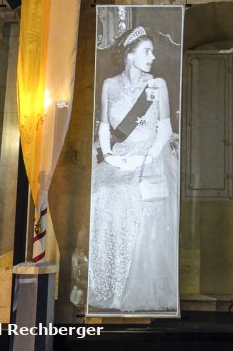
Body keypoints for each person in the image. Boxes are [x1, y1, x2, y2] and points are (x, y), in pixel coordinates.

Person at [88, 26, 179, 314]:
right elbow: (105, 127)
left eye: (153, 51)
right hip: (120, 156)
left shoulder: (157, 85)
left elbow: (165, 128)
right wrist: (111, 156)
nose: (153, 57)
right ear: (129, 54)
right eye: (147, 51)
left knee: (130, 194)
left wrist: (147, 157)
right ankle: (108, 285)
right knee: (100, 191)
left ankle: (128, 287)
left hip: (150, 156)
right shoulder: (109, 85)